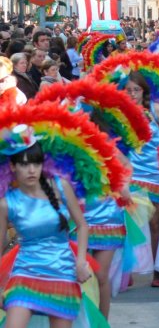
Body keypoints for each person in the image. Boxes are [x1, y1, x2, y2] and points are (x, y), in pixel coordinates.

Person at [0, 126, 91, 326]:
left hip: (62, 272)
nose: (32, 170)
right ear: (13, 167)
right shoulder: (7, 203)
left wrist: (81, 261)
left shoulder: (60, 186)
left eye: (36, 163)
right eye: (24, 165)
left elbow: (82, 226)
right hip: (25, 273)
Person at [125, 71, 159, 288]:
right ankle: (128, 270)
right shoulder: (120, 112)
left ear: (144, 90)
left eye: (136, 89)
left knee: (155, 224)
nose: (133, 94)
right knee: (129, 225)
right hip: (130, 175)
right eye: (128, 90)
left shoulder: (156, 110)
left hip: (155, 173)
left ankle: (157, 272)